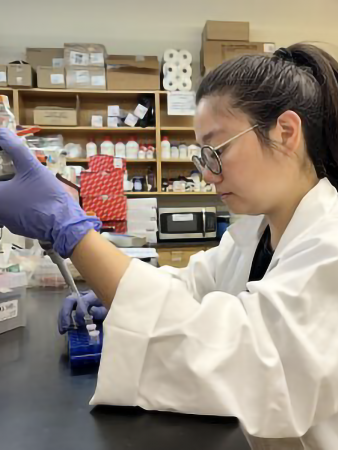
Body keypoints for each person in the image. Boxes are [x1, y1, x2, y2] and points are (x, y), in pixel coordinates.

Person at [1, 43, 338, 449]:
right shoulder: (253, 235)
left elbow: (249, 361)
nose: (209, 175)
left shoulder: (329, 241)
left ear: (285, 132)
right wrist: (116, 297)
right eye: (202, 157)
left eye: (217, 150)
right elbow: (189, 287)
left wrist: (71, 230)